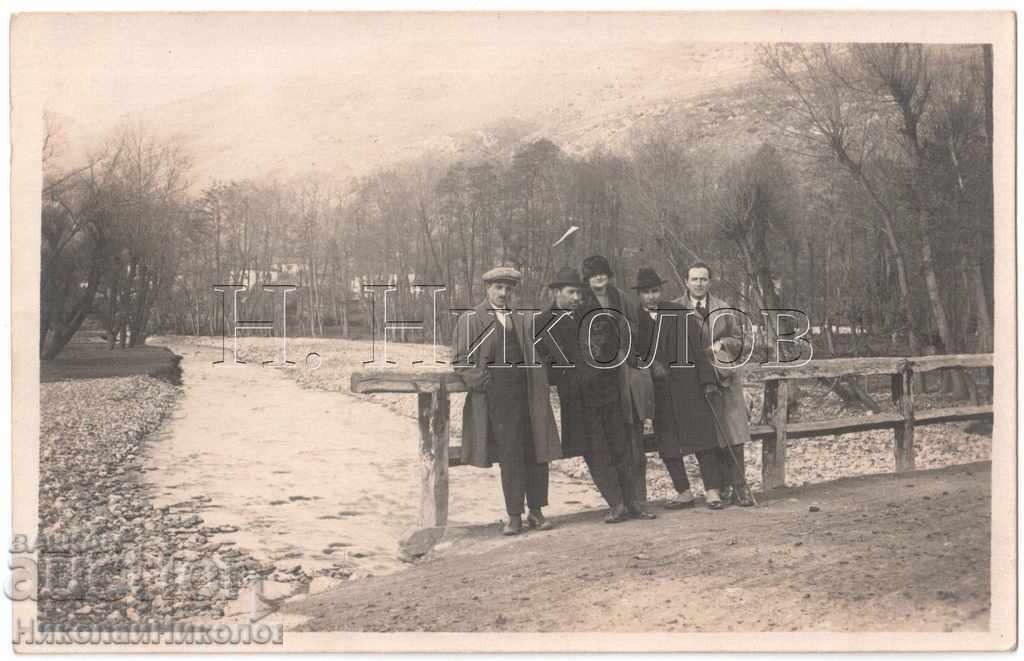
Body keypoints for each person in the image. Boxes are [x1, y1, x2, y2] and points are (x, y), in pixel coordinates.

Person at [451, 265, 562, 535]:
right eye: (498, 288)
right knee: (510, 453)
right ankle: (514, 515)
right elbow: (460, 361)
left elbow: (539, 352)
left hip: (527, 391)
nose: (503, 293)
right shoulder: (471, 319)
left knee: (536, 449)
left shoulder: (521, 319)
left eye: (508, 289)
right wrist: (483, 381)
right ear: (487, 289)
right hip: (497, 397)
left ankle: (536, 511)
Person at [540, 267, 656, 523]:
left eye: (579, 293)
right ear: (556, 292)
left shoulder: (590, 314)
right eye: (571, 293)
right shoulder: (543, 322)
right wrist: (568, 376)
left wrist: (606, 368)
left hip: (606, 390)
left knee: (621, 446)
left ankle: (633, 502)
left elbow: (611, 344)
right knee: (596, 451)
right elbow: (543, 363)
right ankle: (616, 504)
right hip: (577, 398)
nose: (576, 298)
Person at [634, 267, 727, 510]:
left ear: (661, 291)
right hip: (660, 392)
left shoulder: (678, 312)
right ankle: (683, 492)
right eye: (646, 293)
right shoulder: (634, 319)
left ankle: (712, 491)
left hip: (690, 386)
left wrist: (708, 381)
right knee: (668, 444)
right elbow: (632, 353)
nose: (651, 297)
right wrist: (651, 364)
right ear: (639, 295)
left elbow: (698, 349)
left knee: (703, 440)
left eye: (655, 291)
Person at [675, 262, 754, 507]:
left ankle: (740, 487)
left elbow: (743, 340)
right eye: (694, 279)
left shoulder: (723, 308)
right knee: (707, 434)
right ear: (686, 282)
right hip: (693, 379)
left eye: (703, 279)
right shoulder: (676, 308)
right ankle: (717, 487)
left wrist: (721, 345)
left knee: (733, 431)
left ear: (710, 282)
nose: (699, 283)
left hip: (724, 375)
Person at [579, 254, 653, 505]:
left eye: (603, 273)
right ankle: (619, 501)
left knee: (632, 436)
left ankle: (637, 499)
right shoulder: (581, 300)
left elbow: (639, 326)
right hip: (597, 376)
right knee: (609, 439)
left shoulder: (620, 298)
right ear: (586, 279)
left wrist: (631, 351)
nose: (599, 278)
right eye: (593, 274)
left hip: (624, 369)